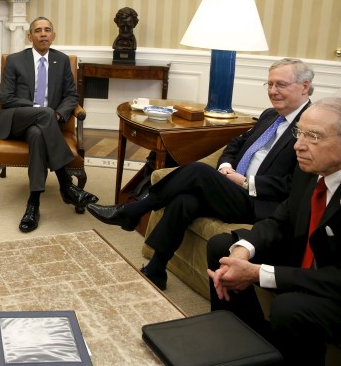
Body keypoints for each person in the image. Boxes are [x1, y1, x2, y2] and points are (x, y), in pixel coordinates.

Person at [87, 58, 314, 290]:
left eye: (281, 85)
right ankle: (157, 267)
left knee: (198, 170)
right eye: (270, 85)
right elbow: (236, 143)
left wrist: (247, 181)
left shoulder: (311, 126)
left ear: (304, 86)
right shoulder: (269, 115)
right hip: (233, 187)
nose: (273, 91)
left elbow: (296, 184)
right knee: (186, 200)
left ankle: (134, 210)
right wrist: (225, 166)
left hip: (260, 202)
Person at [207, 97, 341, 365]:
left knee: (289, 308)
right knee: (223, 248)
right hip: (310, 263)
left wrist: (258, 273)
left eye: (313, 136)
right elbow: (282, 220)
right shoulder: (311, 169)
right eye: (299, 133)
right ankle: (243, 347)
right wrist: (242, 251)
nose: (298, 145)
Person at [0, 17, 98, 233]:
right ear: (29, 36)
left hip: (45, 125)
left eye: (47, 30)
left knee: (36, 134)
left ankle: (33, 204)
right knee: (43, 114)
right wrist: (39, 109)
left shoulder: (61, 61)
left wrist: (59, 115)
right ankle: (65, 183)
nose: (43, 34)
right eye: (38, 30)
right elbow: (5, 98)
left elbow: (72, 96)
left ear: (53, 35)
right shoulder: (15, 60)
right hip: (16, 120)